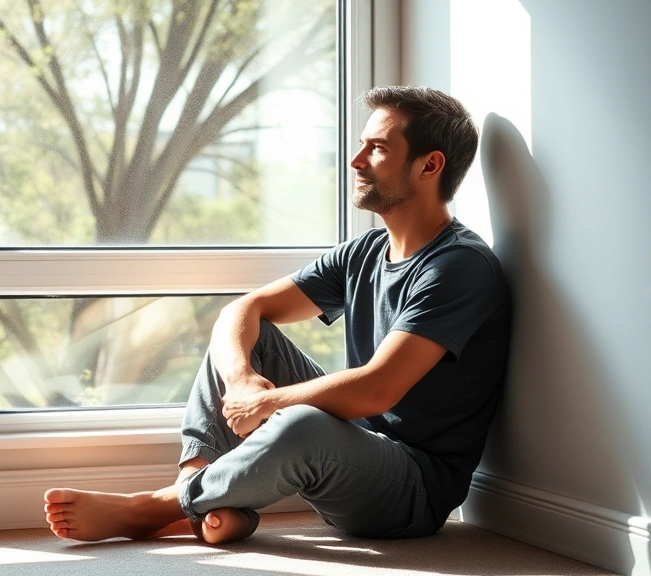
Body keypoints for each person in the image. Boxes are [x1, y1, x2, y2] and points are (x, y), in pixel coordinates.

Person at [43, 86, 512, 544]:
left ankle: (153, 508)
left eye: (377, 149)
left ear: (429, 165)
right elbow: (245, 309)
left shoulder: (460, 267)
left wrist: (268, 403)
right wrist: (244, 379)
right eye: (361, 146)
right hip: (352, 447)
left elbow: (378, 388)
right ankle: (203, 495)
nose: (356, 161)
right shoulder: (366, 251)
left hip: (411, 488)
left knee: (300, 421)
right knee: (245, 338)